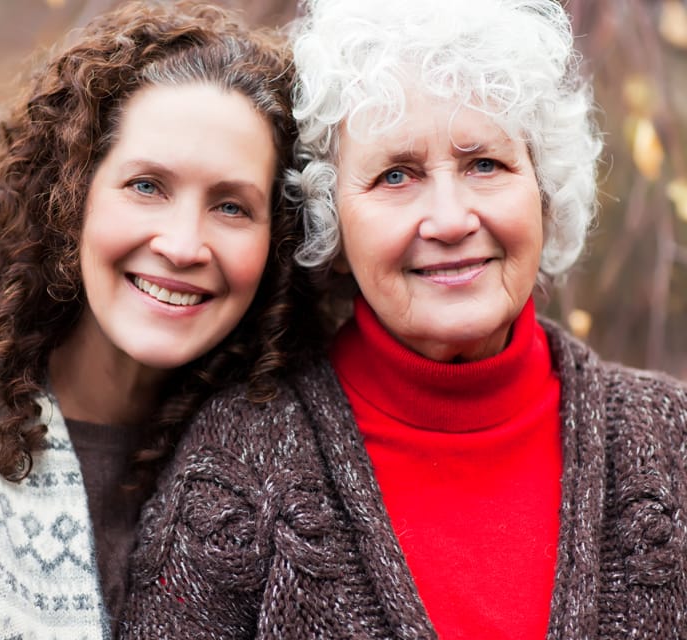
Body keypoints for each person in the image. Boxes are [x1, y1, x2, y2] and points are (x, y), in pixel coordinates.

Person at [121, 0, 687, 638]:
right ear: (329, 223)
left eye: (485, 164)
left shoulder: (672, 444)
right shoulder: (237, 469)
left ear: (545, 193)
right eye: (396, 175)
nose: (449, 220)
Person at [0, 2, 317, 638]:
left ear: (280, 242)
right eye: (147, 186)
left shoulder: (289, 464)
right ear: (70, 199)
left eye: (232, 206)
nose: (185, 245)